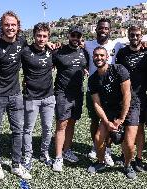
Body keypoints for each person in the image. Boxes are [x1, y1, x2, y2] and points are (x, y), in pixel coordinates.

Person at [0, 11, 31, 180]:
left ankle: (16, 165)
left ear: (18, 27)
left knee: (18, 131)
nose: (10, 27)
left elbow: (29, 56)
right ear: (1, 26)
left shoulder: (22, 41)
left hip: (16, 94)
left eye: (13, 25)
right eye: (7, 24)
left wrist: (48, 46)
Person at [115, 25, 147, 177]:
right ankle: (124, 154)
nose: (134, 37)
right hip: (124, 96)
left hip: (141, 96)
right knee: (126, 128)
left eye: (137, 35)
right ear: (128, 36)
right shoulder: (122, 53)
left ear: (142, 36)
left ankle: (138, 158)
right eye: (132, 35)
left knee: (139, 129)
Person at [85, 18, 124, 165]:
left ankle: (107, 149)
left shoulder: (117, 44)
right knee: (95, 120)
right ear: (96, 29)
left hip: (111, 91)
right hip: (93, 87)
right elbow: (74, 45)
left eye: (106, 28)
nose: (103, 30)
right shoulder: (88, 44)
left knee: (108, 121)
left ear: (110, 30)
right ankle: (96, 146)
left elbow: (135, 45)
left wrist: (145, 46)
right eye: (101, 28)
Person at [87, 46, 131, 174]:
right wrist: (107, 122)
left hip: (125, 110)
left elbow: (127, 95)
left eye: (102, 55)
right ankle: (101, 163)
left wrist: (121, 119)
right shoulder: (93, 79)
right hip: (109, 111)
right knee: (98, 138)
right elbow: (97, 104)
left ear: (107, 57)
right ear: (93, 58)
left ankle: (128, 166)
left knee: (128, 143)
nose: (99, 58)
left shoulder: (119, 69)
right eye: (96, 55)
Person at [52, 26, 89, 172]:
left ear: (81, 38)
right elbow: (48, 67)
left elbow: (86, 67)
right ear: (69, 36)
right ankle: (58, 157)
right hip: (62, 93)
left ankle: (66, 150)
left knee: (72, 123)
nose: (76, 38)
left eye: (78, 36)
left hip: (78, 94)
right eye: (73, 35)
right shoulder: (58, 52)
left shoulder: (84, 53)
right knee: (62, 124)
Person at [21, 23, 55, 170]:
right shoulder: (25, 52)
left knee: (47, 128)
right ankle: (27, 155)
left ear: (48, 37)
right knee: (28, 129)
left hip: (48, 97)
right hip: (31, 97)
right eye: (39, 36)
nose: (41, 39)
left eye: (44, 36)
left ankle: (44, 153)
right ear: (34, 36)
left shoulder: (51, 51)